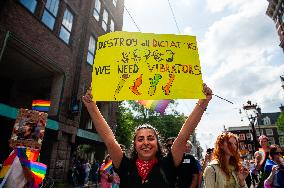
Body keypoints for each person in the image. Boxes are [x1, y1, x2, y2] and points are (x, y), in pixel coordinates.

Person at [82, 84, 212, 188]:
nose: (145, 142)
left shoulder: (168, 164)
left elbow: (184, 134)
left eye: (150, 138)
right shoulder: (125, 165)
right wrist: (91, 105)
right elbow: (109, 139)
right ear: (135, 145)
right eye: (140, 139)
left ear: (157, 143)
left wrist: (203, 102)